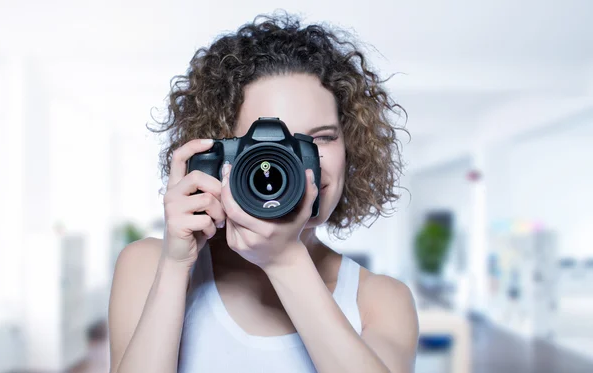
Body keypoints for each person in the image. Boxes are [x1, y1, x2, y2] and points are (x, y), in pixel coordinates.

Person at [108, 11, 418, 373]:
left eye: (321, 137)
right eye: (267, 145)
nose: (298, 164)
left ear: (352, 149)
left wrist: (284, 260)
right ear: (219, 156)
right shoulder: (149, 265)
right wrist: (176, 267)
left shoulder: (381, 299)